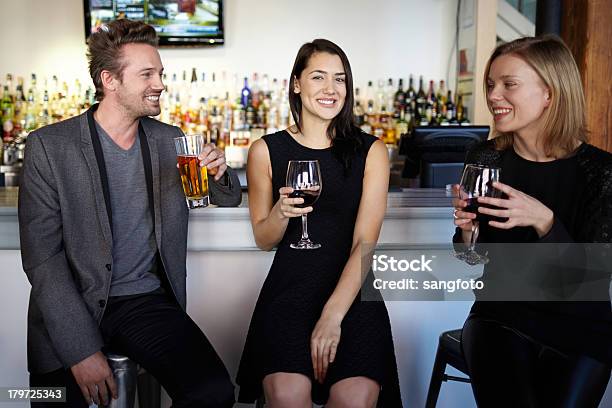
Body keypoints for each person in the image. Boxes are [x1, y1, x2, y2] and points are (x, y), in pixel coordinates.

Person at [19, 19, 241, 407]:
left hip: (144, 302)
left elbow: (228, 200)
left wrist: (221, 172)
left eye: (161, 73)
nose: (160, 84)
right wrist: (81, 351)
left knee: (214, 393)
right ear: (110, 80)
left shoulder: (171, 141)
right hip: (75, 302)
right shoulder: (49, 147)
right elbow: (43, 261)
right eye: (147, 74)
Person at [236, 39, 402, 407]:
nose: (331, 89)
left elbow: (364, 244)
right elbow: (264, 238)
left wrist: (332, 316)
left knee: (355, 400)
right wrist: (280, 212)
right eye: (318, 77)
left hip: (354, 295)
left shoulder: (371, 151)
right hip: (289, 294)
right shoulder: (266, 150)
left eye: (340, 79)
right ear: (296, 84)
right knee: (287, 397)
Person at [452, 35, 611, 407]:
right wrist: (467, 234)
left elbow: (593, 277)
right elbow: (470, 256)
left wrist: (545, 222)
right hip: (500, 317)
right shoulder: (485, 158)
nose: (493, 96)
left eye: (510, 84)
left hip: (582, 327)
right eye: (491, 84)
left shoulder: (600, 172)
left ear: (550, 94)